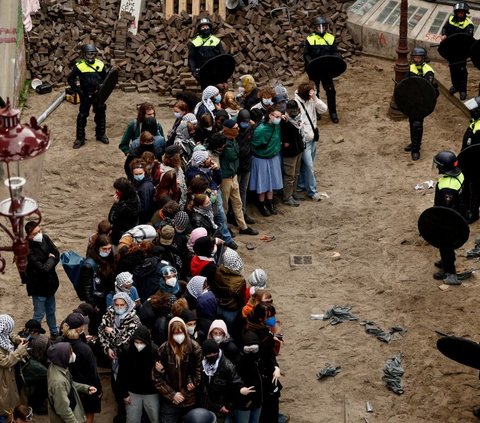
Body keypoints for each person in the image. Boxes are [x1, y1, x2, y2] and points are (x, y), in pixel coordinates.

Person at [98, 293, 141, 422]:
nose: (119, 307)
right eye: (116, 304)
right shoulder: (108, 315)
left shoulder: (134, 320)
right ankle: (121, 409)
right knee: (115, 382)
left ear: (127, 304)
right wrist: (107, 348)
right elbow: (101, 333)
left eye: (122, 305)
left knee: (127, 383)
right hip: (114, 357)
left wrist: (112, 332)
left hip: (128, 357)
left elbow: (126, 340)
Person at [153, 317, 203, 422]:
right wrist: (173, 395)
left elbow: (198, 376)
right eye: (175, 333)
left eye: (181, 332)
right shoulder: (163, 350)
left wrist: (182, 395)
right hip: (169, 401)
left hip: (189, 399)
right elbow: (157, 378)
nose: (178, 336)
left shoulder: (195, 348)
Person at [198, 339, 253, 423]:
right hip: (205, 405)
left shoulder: (227, 366)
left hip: (221, 408)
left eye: (214, 353)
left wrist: (228, 405)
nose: (212, 356)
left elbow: (236, 384)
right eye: (209, 354)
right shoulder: (202, 364)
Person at [60, 313, 102, 423]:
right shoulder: (85, 349)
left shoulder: (59, 343)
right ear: (79, 329)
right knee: (88, 413)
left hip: (66, 386)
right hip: (86, 388)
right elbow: (93, 372)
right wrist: (98, 390)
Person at [432, 151, 466, 285]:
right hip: (458, 214)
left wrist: (437, 222)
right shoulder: (459, 174)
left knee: (445, 244)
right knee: (445, 246)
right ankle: (445, 262)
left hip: (449, 221)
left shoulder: (447, 187)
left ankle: (450, 272)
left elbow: (446, 209)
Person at [219, 121, 258, 235]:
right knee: (224, 206)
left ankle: (243, 226)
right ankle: (225, 228)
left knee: (238, 203)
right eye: (235, 128)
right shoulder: (221, 142)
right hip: (225, 178)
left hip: (233, 175)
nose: (238, 129)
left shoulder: (233, 140)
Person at [67, 44, 109, 149]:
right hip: (85, 94)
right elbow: (70, 78)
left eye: (93, 54)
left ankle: (100, 135)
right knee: (82, 115)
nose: (91, 57)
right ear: (84, 55)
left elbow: (106, 80)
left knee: (100, 113)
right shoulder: (79, 65)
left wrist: (102, 90)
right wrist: (78, 90)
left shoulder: (100, 64)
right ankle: (80, 139)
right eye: (88, 54)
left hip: (97, 94)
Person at [117, 325, 160, 423]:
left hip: (151, 392)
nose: (138, 345)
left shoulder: (154, 351)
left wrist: (160, 370)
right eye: (136, 342)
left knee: (155, 418)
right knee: (132, 419)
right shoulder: (127, 351)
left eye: (141, 343)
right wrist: (124, 394)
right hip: (132, 393)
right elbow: (122, 374)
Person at [24, 221, 60, 338]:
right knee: (39, 314)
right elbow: (43, 269)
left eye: (39, 231)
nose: (39, 234)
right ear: (29, 235)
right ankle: (30, 337)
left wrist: (51, 261)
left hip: (50, 285)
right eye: (35, 233)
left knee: (51, 311)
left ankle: (54, 333)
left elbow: (56, 253)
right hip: (38, 287)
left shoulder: (45, 238)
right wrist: (50, 259)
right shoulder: (28, 250)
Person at [46, 342, 97, 423]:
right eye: (70, 353)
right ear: (63, 356)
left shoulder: (57, 366)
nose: (73, 354)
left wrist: (85, 388)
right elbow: (63, 410)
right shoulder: (58, 382)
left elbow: (69, 384)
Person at [295, 81, 328, 201]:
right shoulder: (296, 104)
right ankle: (312, 192)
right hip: (304, 142)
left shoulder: (312, 100)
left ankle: (301, 185)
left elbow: (324, 109)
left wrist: (315, 98)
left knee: (308, 165)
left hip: (313, 138)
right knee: (309, 166)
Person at [403, 47, 437, 161]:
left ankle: (416, 150)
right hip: (412, 101)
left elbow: (426, 88)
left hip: (422, 103)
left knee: (417, 125)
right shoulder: (411, 67)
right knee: (411, 123)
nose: (416, 60)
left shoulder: (429, 71)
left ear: (423, 58)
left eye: (418, 58)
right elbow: (406, 82)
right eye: (415, 57)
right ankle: (413, 143)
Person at [304, 16, 340, 123]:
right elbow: (306, 54)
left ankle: (333, 112)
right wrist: (310, 62)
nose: (321, 29)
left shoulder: (330, 38)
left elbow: (335, 52)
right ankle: (317, 111)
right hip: (314, 70)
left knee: (331, 91)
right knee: (315, 91)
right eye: (318, 27)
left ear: (326, 27)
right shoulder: (310, 38)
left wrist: (337, 59)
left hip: (326, 70)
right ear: (315, 28)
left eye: (323, 27)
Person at [250, 107, 283, 216]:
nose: (279, 119)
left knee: (271, 181)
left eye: (279, 116)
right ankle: (261, 203)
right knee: (262, 183)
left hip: (273, 157)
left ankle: (270, 202)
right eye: (277, 117)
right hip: (261, 159)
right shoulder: (261, 130)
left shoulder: (276, 125)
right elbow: (254, 145)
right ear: (270, 115)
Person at [441, 2, 474, 100]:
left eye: (462, 12)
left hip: (462, 52)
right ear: (456, 12)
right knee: (452, 68)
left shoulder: (469, 25)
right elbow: (445, 28)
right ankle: (455, 86)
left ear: (465, 13)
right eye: (459, 12)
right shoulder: (451, 19)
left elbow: (468, 38)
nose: (460, 14)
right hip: (451, 50)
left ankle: (463, 90)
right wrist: (444, 35)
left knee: (462, 71)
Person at [0, 315, 29, 423]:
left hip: (12, 374)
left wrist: (18, 339)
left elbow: (10, 335)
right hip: (4, 380)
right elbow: (5, 361)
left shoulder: (2, 333)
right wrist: (19, 351)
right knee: (5, 409)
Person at [188, 18, 225, 89]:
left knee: (217, 92)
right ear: (199, 29)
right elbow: (191, 58)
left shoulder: (216, 41)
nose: (205, 28)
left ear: (210, 28)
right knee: (206, 91)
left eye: (206, 26)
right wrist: (194, 70)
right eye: (203, 27)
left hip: (215, 72)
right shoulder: (195, 42)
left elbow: (222, 57)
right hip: (202, 72)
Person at [281, 99, 305, 206]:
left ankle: (294, 192)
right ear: (287, 110)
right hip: (290, 152)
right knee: (289, 176)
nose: (294, 112)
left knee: (296, 173)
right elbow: (285, 141)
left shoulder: (298, 119)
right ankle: (287, 197)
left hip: (298, 149)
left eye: (295, 109)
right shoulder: (284, 120)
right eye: (292, 110)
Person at [108, 177, 141, 245]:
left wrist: (115, 204)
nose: (116, 191)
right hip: (132, 226)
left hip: (121, 231)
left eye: (118, 190)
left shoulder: (124, 206)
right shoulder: (135, 196)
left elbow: (111, 219)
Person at [130, 158, 155, 224]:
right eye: (136, 174)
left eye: (140, 174)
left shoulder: (145, 188)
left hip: (142, 218)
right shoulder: (138, 181)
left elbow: (144, 208)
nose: (138, 176)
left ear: (144, 172)